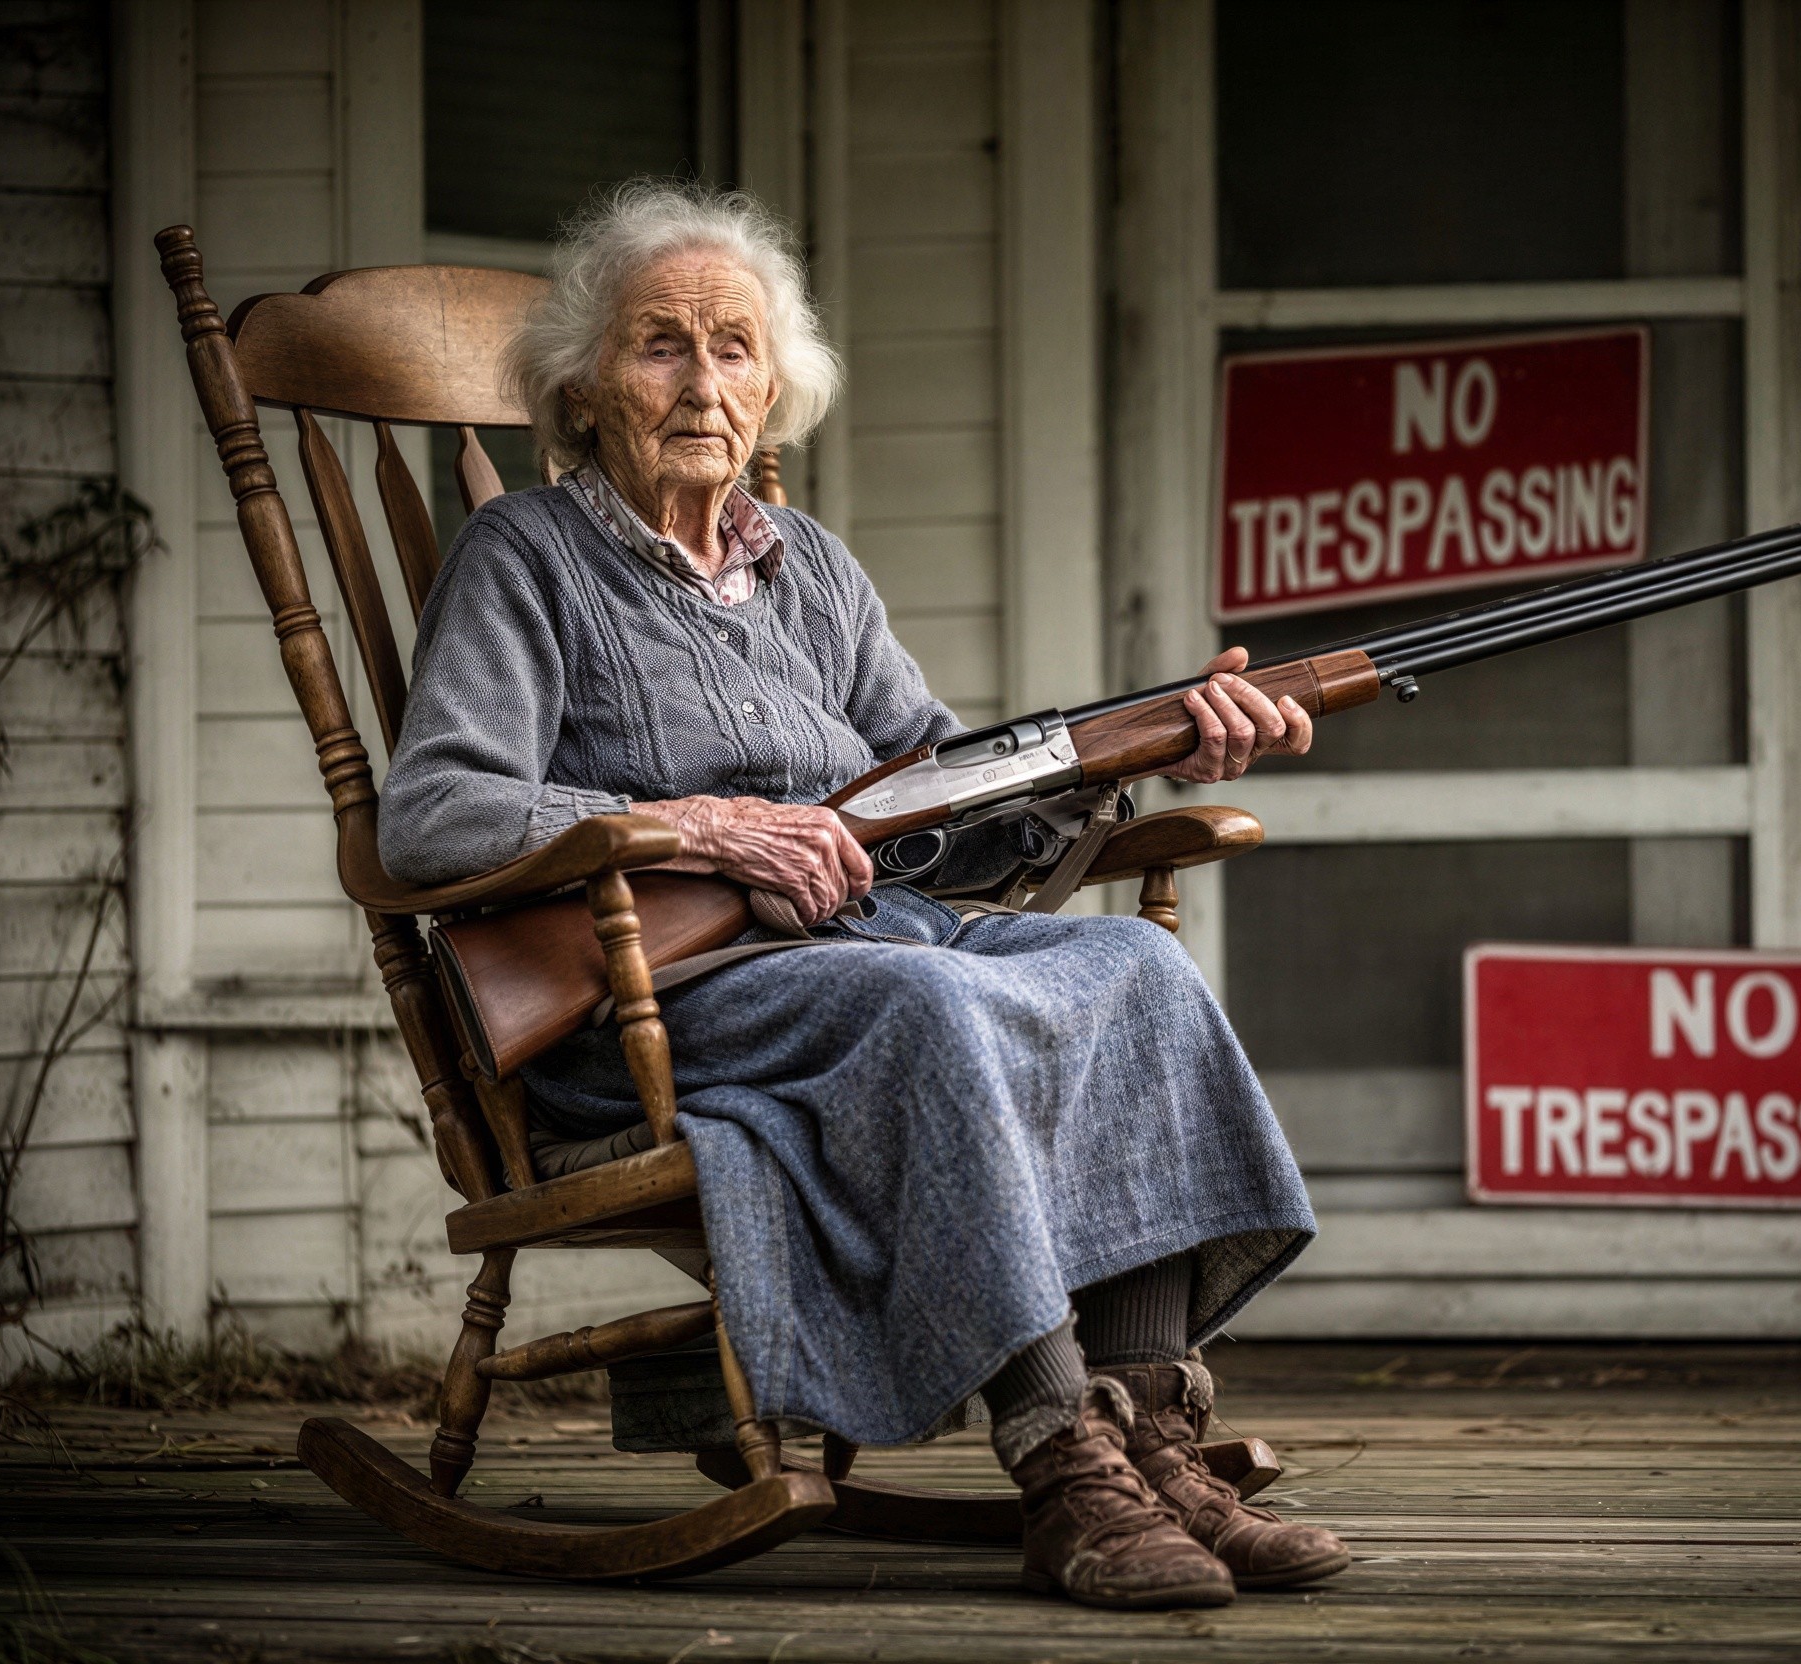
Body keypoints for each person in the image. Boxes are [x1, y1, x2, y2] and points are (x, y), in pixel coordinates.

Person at [378, 179, 1346, 1610]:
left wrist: (1151, 743)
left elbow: (950, 808)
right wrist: (700, 827)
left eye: (733, 349)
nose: (701, 381)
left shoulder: (812, 571)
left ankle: (1153, 1437)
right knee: (932, 1002)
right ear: (585, 391)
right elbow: (432, 813)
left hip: (860, 949)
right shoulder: (526, 559)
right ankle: (1059, 1460)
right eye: (660, 345)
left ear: (775, 392)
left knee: (1139, 976)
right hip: (666, 997)